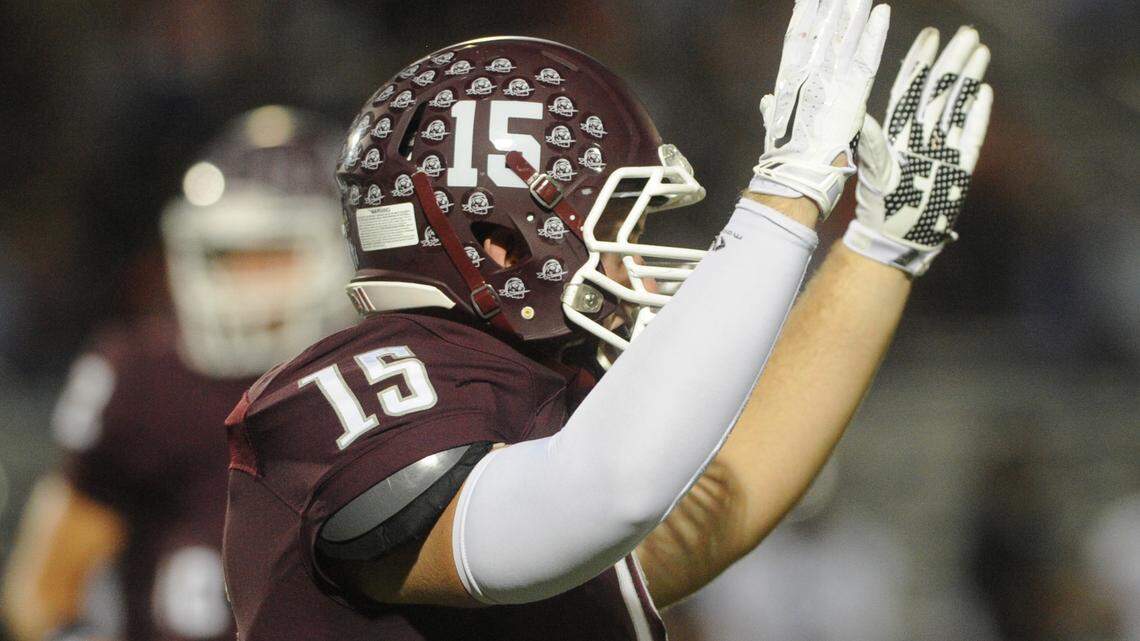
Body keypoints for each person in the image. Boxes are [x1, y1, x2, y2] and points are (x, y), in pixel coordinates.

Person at [223, 2, 995, 639]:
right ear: (498, 243)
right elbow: (600, 495)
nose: (635, 263)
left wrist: (879, 252)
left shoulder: (538, 393)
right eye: (618, 221)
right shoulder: (347, 387)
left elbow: (702, 512)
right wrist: (785, 197)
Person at [1, 106, 353, 641]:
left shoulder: (384, 370)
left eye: (271, 257)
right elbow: (41, 592)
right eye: (227, 258)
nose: (245, 285)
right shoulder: (145, 376)